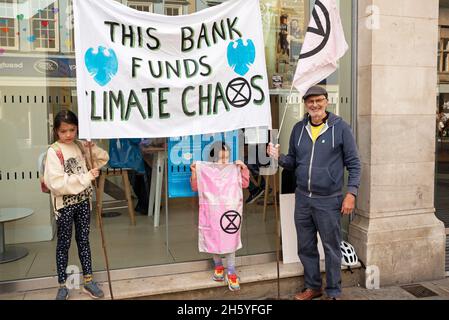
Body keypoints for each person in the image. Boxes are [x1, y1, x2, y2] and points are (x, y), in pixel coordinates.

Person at [267, 85, 361, 300]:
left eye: (319, 100)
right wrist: (278, 156)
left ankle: (334, 292)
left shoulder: (341, 128)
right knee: (306, 246)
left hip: (329, 200)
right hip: (303, 199)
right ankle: (313, 287)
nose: (315, 105)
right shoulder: (299, 129)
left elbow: (354, 164)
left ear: (326, 101)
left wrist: (351, 193)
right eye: (310, 101)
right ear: (305, 104)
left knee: (331, 248)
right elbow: (293, 162)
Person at [43, 110, 109, 300]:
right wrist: (87, 177)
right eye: (64, 131)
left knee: (84, 240)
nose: (69, 135)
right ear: (56, 131)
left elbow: (102, 159)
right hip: (64, 204)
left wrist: (92, 147)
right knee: (63, 244)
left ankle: (88, 280)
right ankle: (62, 284)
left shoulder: (80, 146)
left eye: (72, 130)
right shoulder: (53, 151)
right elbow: (56, 183)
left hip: (82, 202)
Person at [190, 141, 250, 291]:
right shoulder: (207, 171)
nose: (225, 161)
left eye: (227, 158)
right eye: (221, 158)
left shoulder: (233, 170)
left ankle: (231, 270)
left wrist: (243, 169)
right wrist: (194, 172)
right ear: (212, 159)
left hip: (229, 211)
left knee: (230, 238)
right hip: (212, 212)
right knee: (213, 238)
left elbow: (244, 184)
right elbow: (195, 187)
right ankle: (218, 266)